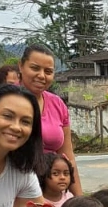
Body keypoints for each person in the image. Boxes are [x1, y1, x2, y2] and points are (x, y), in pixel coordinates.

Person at [18, 45, 82, 196]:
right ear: (21, 66)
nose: (41, 75)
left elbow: (68, 156)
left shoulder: (57, 104)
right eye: (35, 68)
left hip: (53, 191)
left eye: (48, 71)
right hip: (16, 188)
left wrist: (79, 198)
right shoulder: (7, 100)